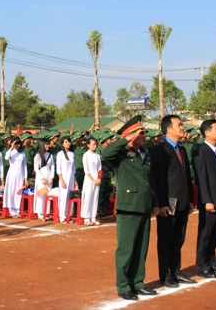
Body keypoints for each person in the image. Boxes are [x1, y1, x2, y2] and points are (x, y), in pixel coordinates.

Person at [103, 115, 158, 301]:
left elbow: (150, 181)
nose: (145, 136)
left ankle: (138, 282)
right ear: (131, 135)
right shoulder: (121, 153)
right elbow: (106, 154)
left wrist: (155, 203)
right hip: (128, 205)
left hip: (144, 204)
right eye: (141, 133)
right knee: (126, 249)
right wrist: (125, 139)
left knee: (141, 248)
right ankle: (124, 285)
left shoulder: (145, 153)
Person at [151, 114, 195, 288]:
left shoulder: (182, 149)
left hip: (182, 201)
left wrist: (191, 200)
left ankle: (176, 270)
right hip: (168, 203)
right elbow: (158, 179)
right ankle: (165, 274)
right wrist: (161, 203)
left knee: (179, 239)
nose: (182, 127)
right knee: (166, 240)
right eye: (179, 125)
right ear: (169, 129)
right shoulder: (160, 149)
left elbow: (186, 176)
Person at [193, 119, 216, 278]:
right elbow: (201, 178)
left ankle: (211, 260)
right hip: (210, 200)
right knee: (206, 233)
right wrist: (207, 200)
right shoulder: (201, 151)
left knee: (215, 233)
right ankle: (202, 264)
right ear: (207, 132)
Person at [3, 137, 27, 218]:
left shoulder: (22, 153)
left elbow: (24, 166)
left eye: (18, 144)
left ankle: (17, 209)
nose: (17, 145)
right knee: (11, 191)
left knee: (18, 191)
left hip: (20, 173)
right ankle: (11, 210)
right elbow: (6, 157)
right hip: (12, 173)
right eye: (15, 144)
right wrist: (11, 147)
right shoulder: (10, 152)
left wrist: (25, 178)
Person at [81, 137, 102, 226]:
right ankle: (86, 217)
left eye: (95, 144)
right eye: (93, 144)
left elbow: (99, 168)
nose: (94, 146)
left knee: (95, 197)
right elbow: (86, 170)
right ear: (88, 145)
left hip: (97, 179)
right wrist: (93, 180)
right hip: (89, 179)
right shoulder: (86, 155)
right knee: (88, 197)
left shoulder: (97, 155)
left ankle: (93, 217)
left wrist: (99, 179)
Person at [56, 137, 76, 223]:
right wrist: (62, 180)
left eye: (69, 142)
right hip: (63, 177)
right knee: (63, 196)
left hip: (71, 177)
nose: (68, 143)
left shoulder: (71, 154)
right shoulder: (60, 154)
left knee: (69, 196)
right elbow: (58, 169)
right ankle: (62, 216)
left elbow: (73, 168)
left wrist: (75, 181)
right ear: (62, 144)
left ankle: (69, 215)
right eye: (66, 142)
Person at [33, 138, 54, 220]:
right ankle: (40, 213)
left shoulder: (50, 155)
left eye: (48, 144)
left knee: (47, 194)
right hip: (41, 177)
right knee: (41, 194)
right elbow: (36, 168)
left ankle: (47, 212)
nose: (48, 146)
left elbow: (52, 167)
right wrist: (42, 178)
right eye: (46, 144)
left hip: (49, 177)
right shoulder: (38, 155)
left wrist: (52, 176)